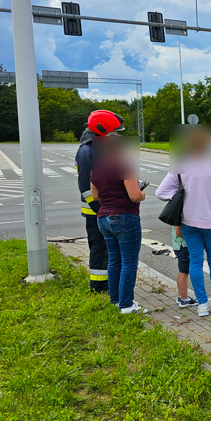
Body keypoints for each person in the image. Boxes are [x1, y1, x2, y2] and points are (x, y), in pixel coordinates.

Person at [156, 126, 211, 317]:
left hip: (189, 222)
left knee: (196, 261)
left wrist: (183, 197)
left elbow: (161, 192)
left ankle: (202, 305)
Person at [90, 135, 145, 314]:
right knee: (129, 262)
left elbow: (96, 196)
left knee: (114, 260)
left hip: (103, 218)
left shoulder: (96, 169)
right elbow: (134, 196)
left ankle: (115, 300)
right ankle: (127, 304)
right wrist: (142, 194)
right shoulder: (125, 166)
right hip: (125, 217)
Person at [76, 110, 125, 293]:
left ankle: (108, 282)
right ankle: (98, 285)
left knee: (108, 249)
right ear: (102, 131)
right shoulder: (87, 151)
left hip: (106, 208)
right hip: (96, 210)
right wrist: (101, 209)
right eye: (114, 132)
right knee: (99, 247)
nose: (117, 135)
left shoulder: (98, 147)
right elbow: (86, 187)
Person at [172, 225, 198, 307]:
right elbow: (179, 232)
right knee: (184, 272)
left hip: (178, 245)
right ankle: (184, 299)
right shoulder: (180, 215)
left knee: (183, 271)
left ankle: (181, 296)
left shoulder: (175, 213)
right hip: (183, 245)